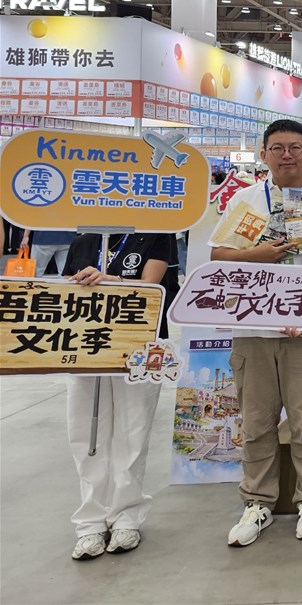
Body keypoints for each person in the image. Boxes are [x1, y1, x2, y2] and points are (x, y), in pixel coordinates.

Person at [212, 119, 302, 547]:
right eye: (278, 148)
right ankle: (257, 502)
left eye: (295, 147)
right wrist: (260, 254)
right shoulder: (247, 200)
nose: (287, 155)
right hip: (253, 325)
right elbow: (220, 255)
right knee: (257, 421)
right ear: (264, 154)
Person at [61, 228, 178, 560]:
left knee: (133, 432)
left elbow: (153, 286)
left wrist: (109, 280)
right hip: (85, 346)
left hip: (139, 346)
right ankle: (90, 522)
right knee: (87, 435)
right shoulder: (82, 241)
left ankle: (127, 516)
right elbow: (63, 290)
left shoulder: (157, 234)